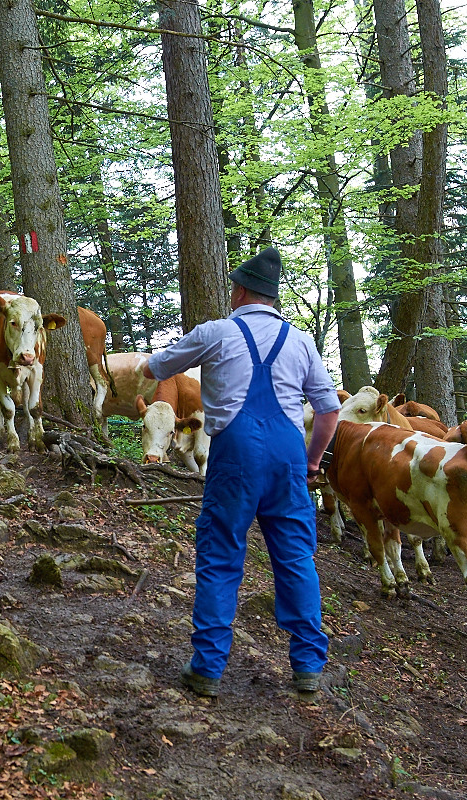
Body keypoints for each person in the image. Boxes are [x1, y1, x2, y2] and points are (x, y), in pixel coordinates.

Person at [142, 246, 341, 698]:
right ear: (271, 297)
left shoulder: (216, 332)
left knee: (220, 556)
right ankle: (308, 666)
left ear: (240, 291)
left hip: (234, 456)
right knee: (295, 560)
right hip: (288, 458)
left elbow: (157, 366)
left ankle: (208, 669)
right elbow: (329, 411)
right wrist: (311, 462)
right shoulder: (301, 340)